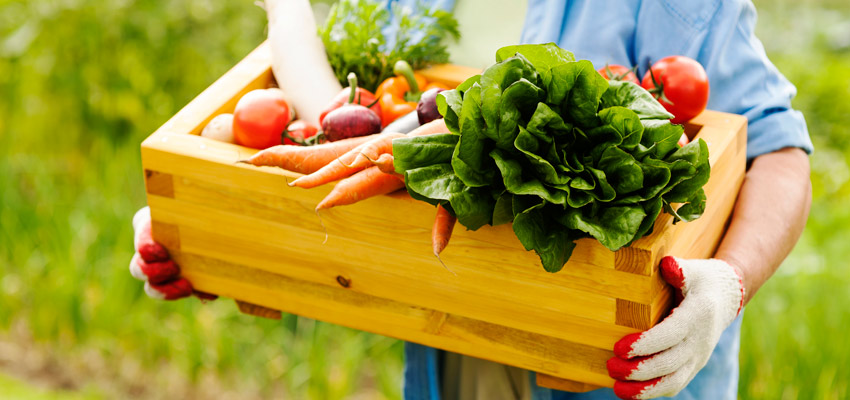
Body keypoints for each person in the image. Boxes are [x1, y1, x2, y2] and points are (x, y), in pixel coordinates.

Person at [128, 0, 813, 399]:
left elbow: (779, 155)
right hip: (451, 350)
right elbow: (341, 120)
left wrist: (728, 283)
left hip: (623, 374)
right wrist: (205, 222)